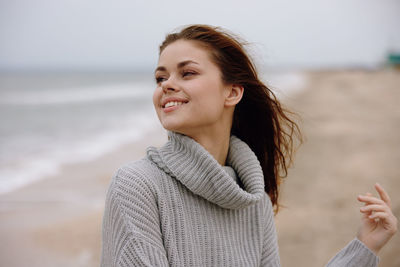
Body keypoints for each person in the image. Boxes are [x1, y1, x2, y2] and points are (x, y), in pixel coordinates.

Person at [101, 25, 397, 266]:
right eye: (160, 77)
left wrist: (364, 248)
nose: (166, 84)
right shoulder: (136, 186)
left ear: (232, 93)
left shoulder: (253, 199)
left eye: (187, 72)